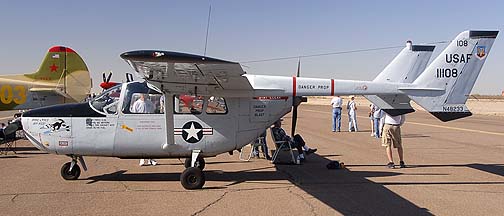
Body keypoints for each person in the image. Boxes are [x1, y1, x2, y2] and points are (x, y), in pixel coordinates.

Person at [132, 94, 158, 166]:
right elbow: (134, 114)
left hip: (149, 125)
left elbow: (153, 110)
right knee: (141, 143)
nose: (144, 96)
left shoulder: (149, 102)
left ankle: (151, 159)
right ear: (140, 95)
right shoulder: (136, 103)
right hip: (140, 125)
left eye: (145, 94)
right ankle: (142, 159)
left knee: (151, 143)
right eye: (142, 94)